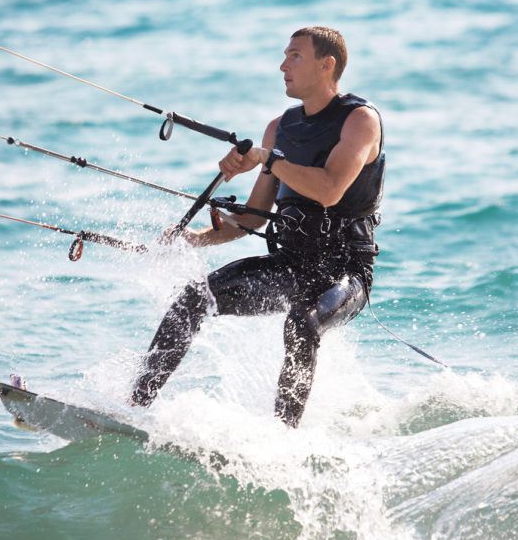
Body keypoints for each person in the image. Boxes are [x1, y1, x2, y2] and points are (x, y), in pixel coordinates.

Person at [130, 26, 384, 427]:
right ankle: (132, 409)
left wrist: (267, 158)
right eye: (285, 55)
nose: (283, 65)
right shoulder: (279, 127)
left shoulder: (359, 121)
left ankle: (283, 439)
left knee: (303, 321)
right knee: (192, 299)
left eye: (294, 56)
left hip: (345, 272)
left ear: (326, 64)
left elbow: (330, 190)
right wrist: (197, 238)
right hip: (292, 265)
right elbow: (250, 219)